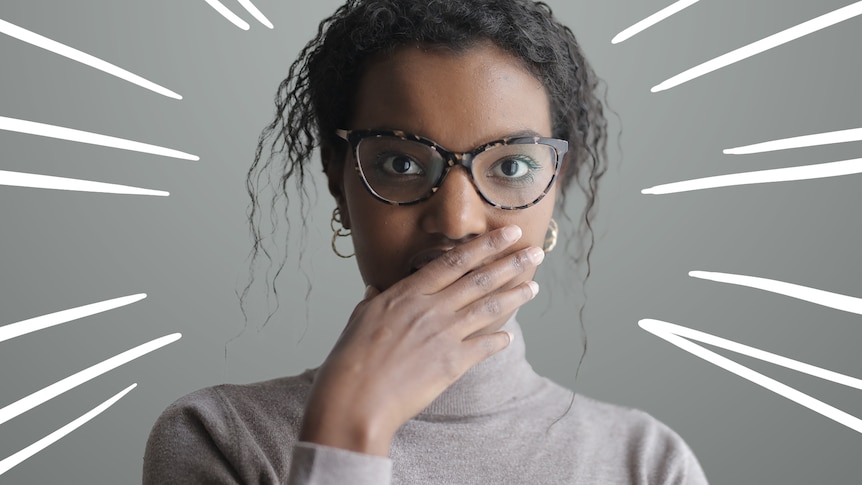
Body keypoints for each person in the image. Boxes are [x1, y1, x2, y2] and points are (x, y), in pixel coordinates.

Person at [143, 0, 708, 483]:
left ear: (555, 185)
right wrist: (345, 431)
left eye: (510, 165)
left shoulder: (646, 463)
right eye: (400, 162)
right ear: (338, 177)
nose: (457, 220)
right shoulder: (219, 438)